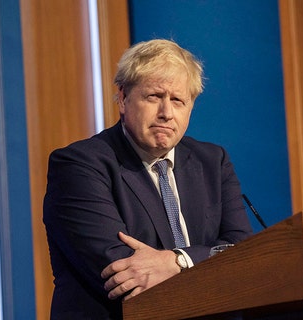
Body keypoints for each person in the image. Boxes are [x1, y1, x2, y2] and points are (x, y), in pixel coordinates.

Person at [43, 39, 254, 319]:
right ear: (123, 97)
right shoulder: (79, 165)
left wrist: (177, 261)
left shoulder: (213, 162)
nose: (166, 113)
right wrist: (209, 261)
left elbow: (243, 254)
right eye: (154, 96)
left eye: (178, 100)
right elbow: (123, 273)